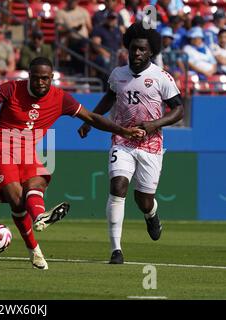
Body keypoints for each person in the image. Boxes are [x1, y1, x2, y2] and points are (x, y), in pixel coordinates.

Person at [0, 57, 145, 270]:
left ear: (51, 78)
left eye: (45, 78)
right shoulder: (12, 88)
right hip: (0, 149)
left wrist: (124, 131)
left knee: (38, 183)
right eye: (36, 78)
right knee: (17, 202)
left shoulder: (60, 98)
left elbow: (91, 117)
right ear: (29, 77)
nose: (40, 82)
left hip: (27, 152)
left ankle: (41, 217)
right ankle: (34, 248)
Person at [78, 22, 184, 264]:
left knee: (143, 199)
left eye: (142, 50)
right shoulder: (118, 74)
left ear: (150, 52)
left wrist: (155, 124)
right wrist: (90, 120)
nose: (136, 53)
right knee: (118, 187)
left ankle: (151, 214)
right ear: (127, 49)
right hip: (122, 139)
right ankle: (116, 250)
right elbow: (110, 97)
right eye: (133, 49)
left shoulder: (161, 77)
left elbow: (178, 110)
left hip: (151, 144)